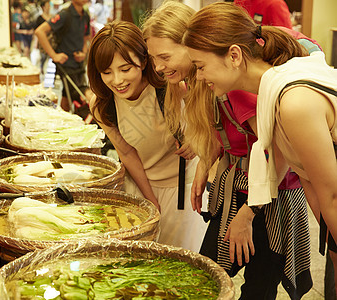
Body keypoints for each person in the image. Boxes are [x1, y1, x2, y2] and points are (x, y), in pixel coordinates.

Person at [142, 1, 314, 298]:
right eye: (153, 58)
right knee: (209, 275)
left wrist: (247, 215)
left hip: (271, 195)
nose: (158, 67)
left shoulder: (236, 83)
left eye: (165, 56)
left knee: (253, 285)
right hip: (243, 186)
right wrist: (203, 168)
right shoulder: (205, 81)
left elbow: (277, 155)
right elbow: (222, 135)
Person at [183, 2, 337, 297]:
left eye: (201, 67)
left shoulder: (292, 101)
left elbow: (330, 195)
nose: (199, 77)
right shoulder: (270, 91)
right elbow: (310, 181)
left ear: (234, 55)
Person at [87, 20, 208, 251]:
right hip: (139, 188)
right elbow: (126, 153)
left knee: (179, 263)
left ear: (143, 61)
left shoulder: (170, 85)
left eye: (125, 69)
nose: (117, 80)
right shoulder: (102, 105)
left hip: (181, 191)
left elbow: (211, 112)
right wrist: (150, 200)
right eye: (107, 72)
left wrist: (198, 138)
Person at [35, 0, 92, 111]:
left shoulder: (85, 15)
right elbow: (39, 31)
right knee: (77, 94)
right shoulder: (65, 14)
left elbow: (86, 37)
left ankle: (65, 121)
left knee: (67, 94)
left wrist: (84, 53)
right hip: (66, 65)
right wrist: (54, 55)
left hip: (79, 64)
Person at [35, 0, 52, 74]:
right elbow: (36, 32)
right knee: (43, 57)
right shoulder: (39, 18)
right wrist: (36, 43)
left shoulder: (53, 17)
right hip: (42, 41)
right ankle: (42, 70)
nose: (49, 7)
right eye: (47, 5)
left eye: (49, 5)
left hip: (52, 41)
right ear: (43, 7)